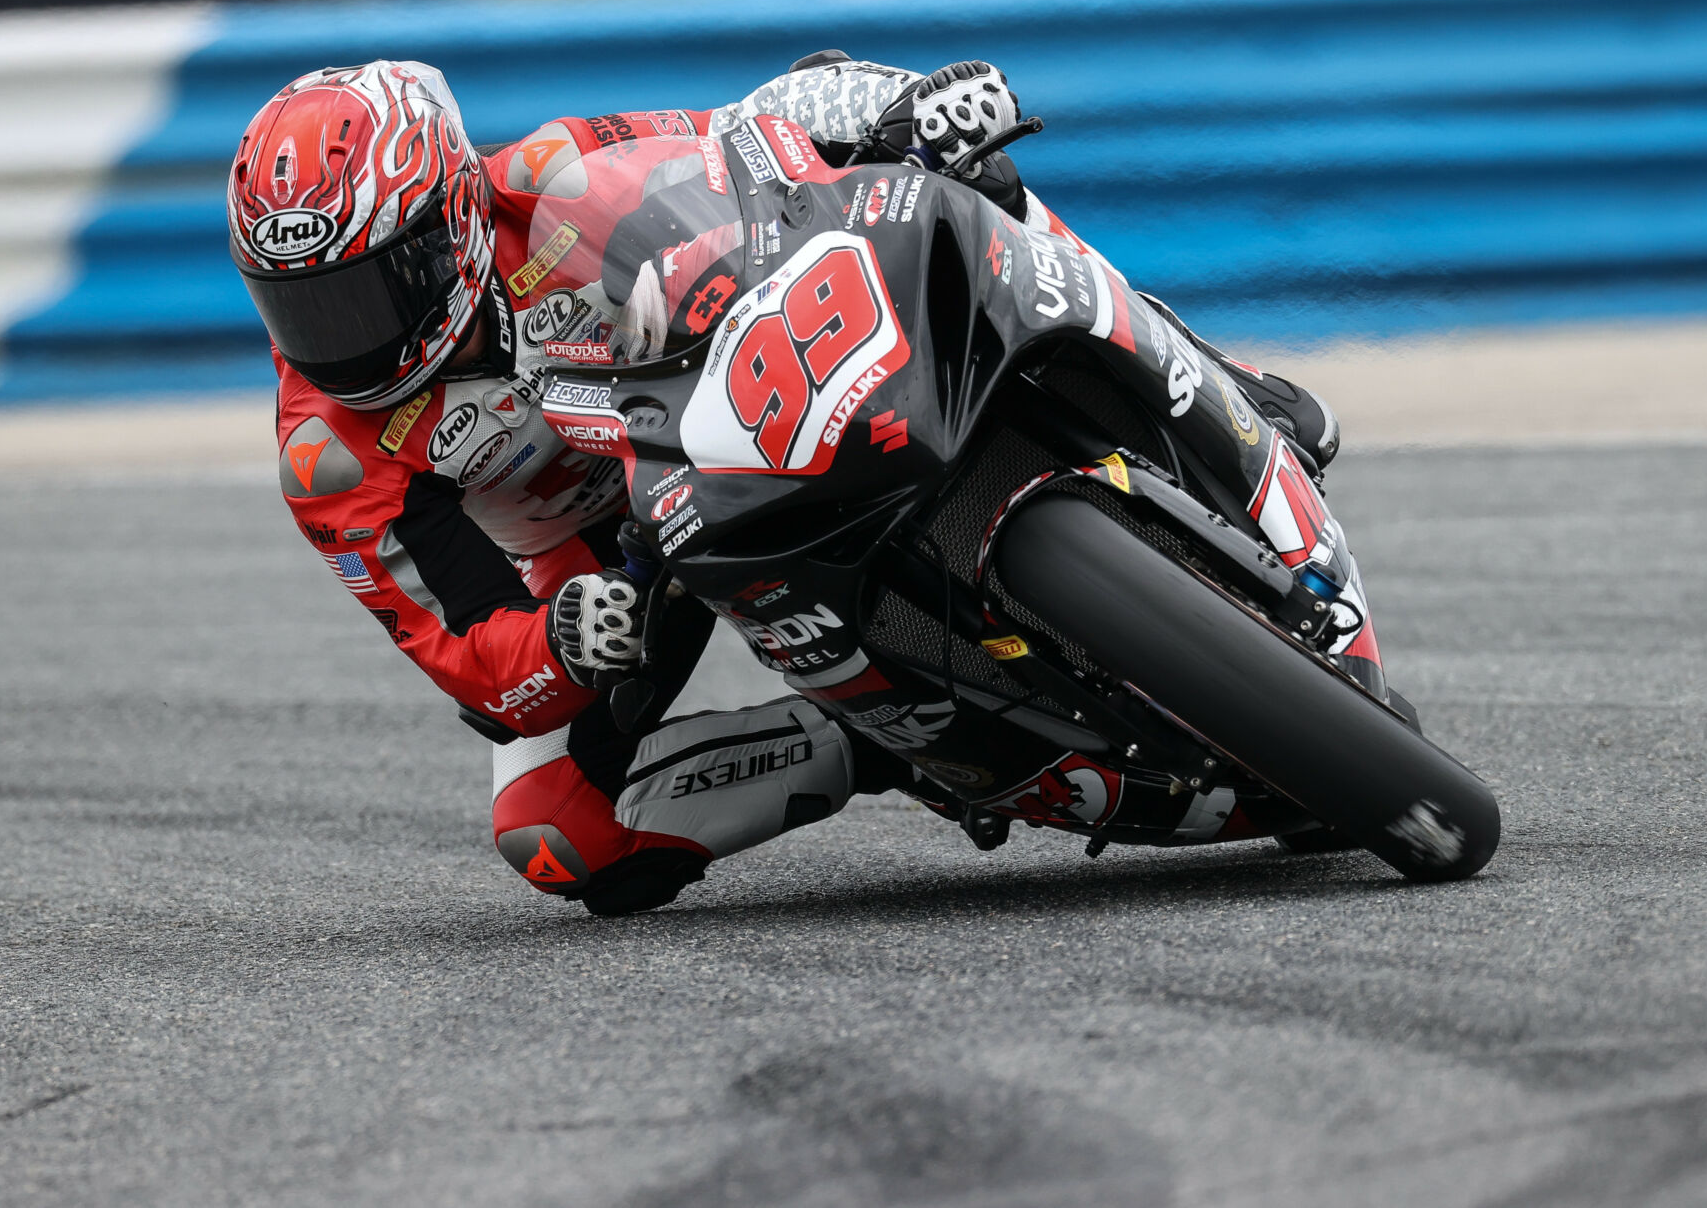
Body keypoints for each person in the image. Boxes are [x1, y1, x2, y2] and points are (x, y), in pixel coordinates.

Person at [228, 53, 1341, 916]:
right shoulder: (329, 455)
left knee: (967, 176)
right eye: (308, 307)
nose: (346, 340)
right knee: (557, 834)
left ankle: (1207, 374)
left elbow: (747, 140)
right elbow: (470, 658)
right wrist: (564, 643)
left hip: (713, 390)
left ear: (452, 217)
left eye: (374, 286)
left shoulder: (552, 178)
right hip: (602, 562)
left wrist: (905, 116)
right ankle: (880, 741)